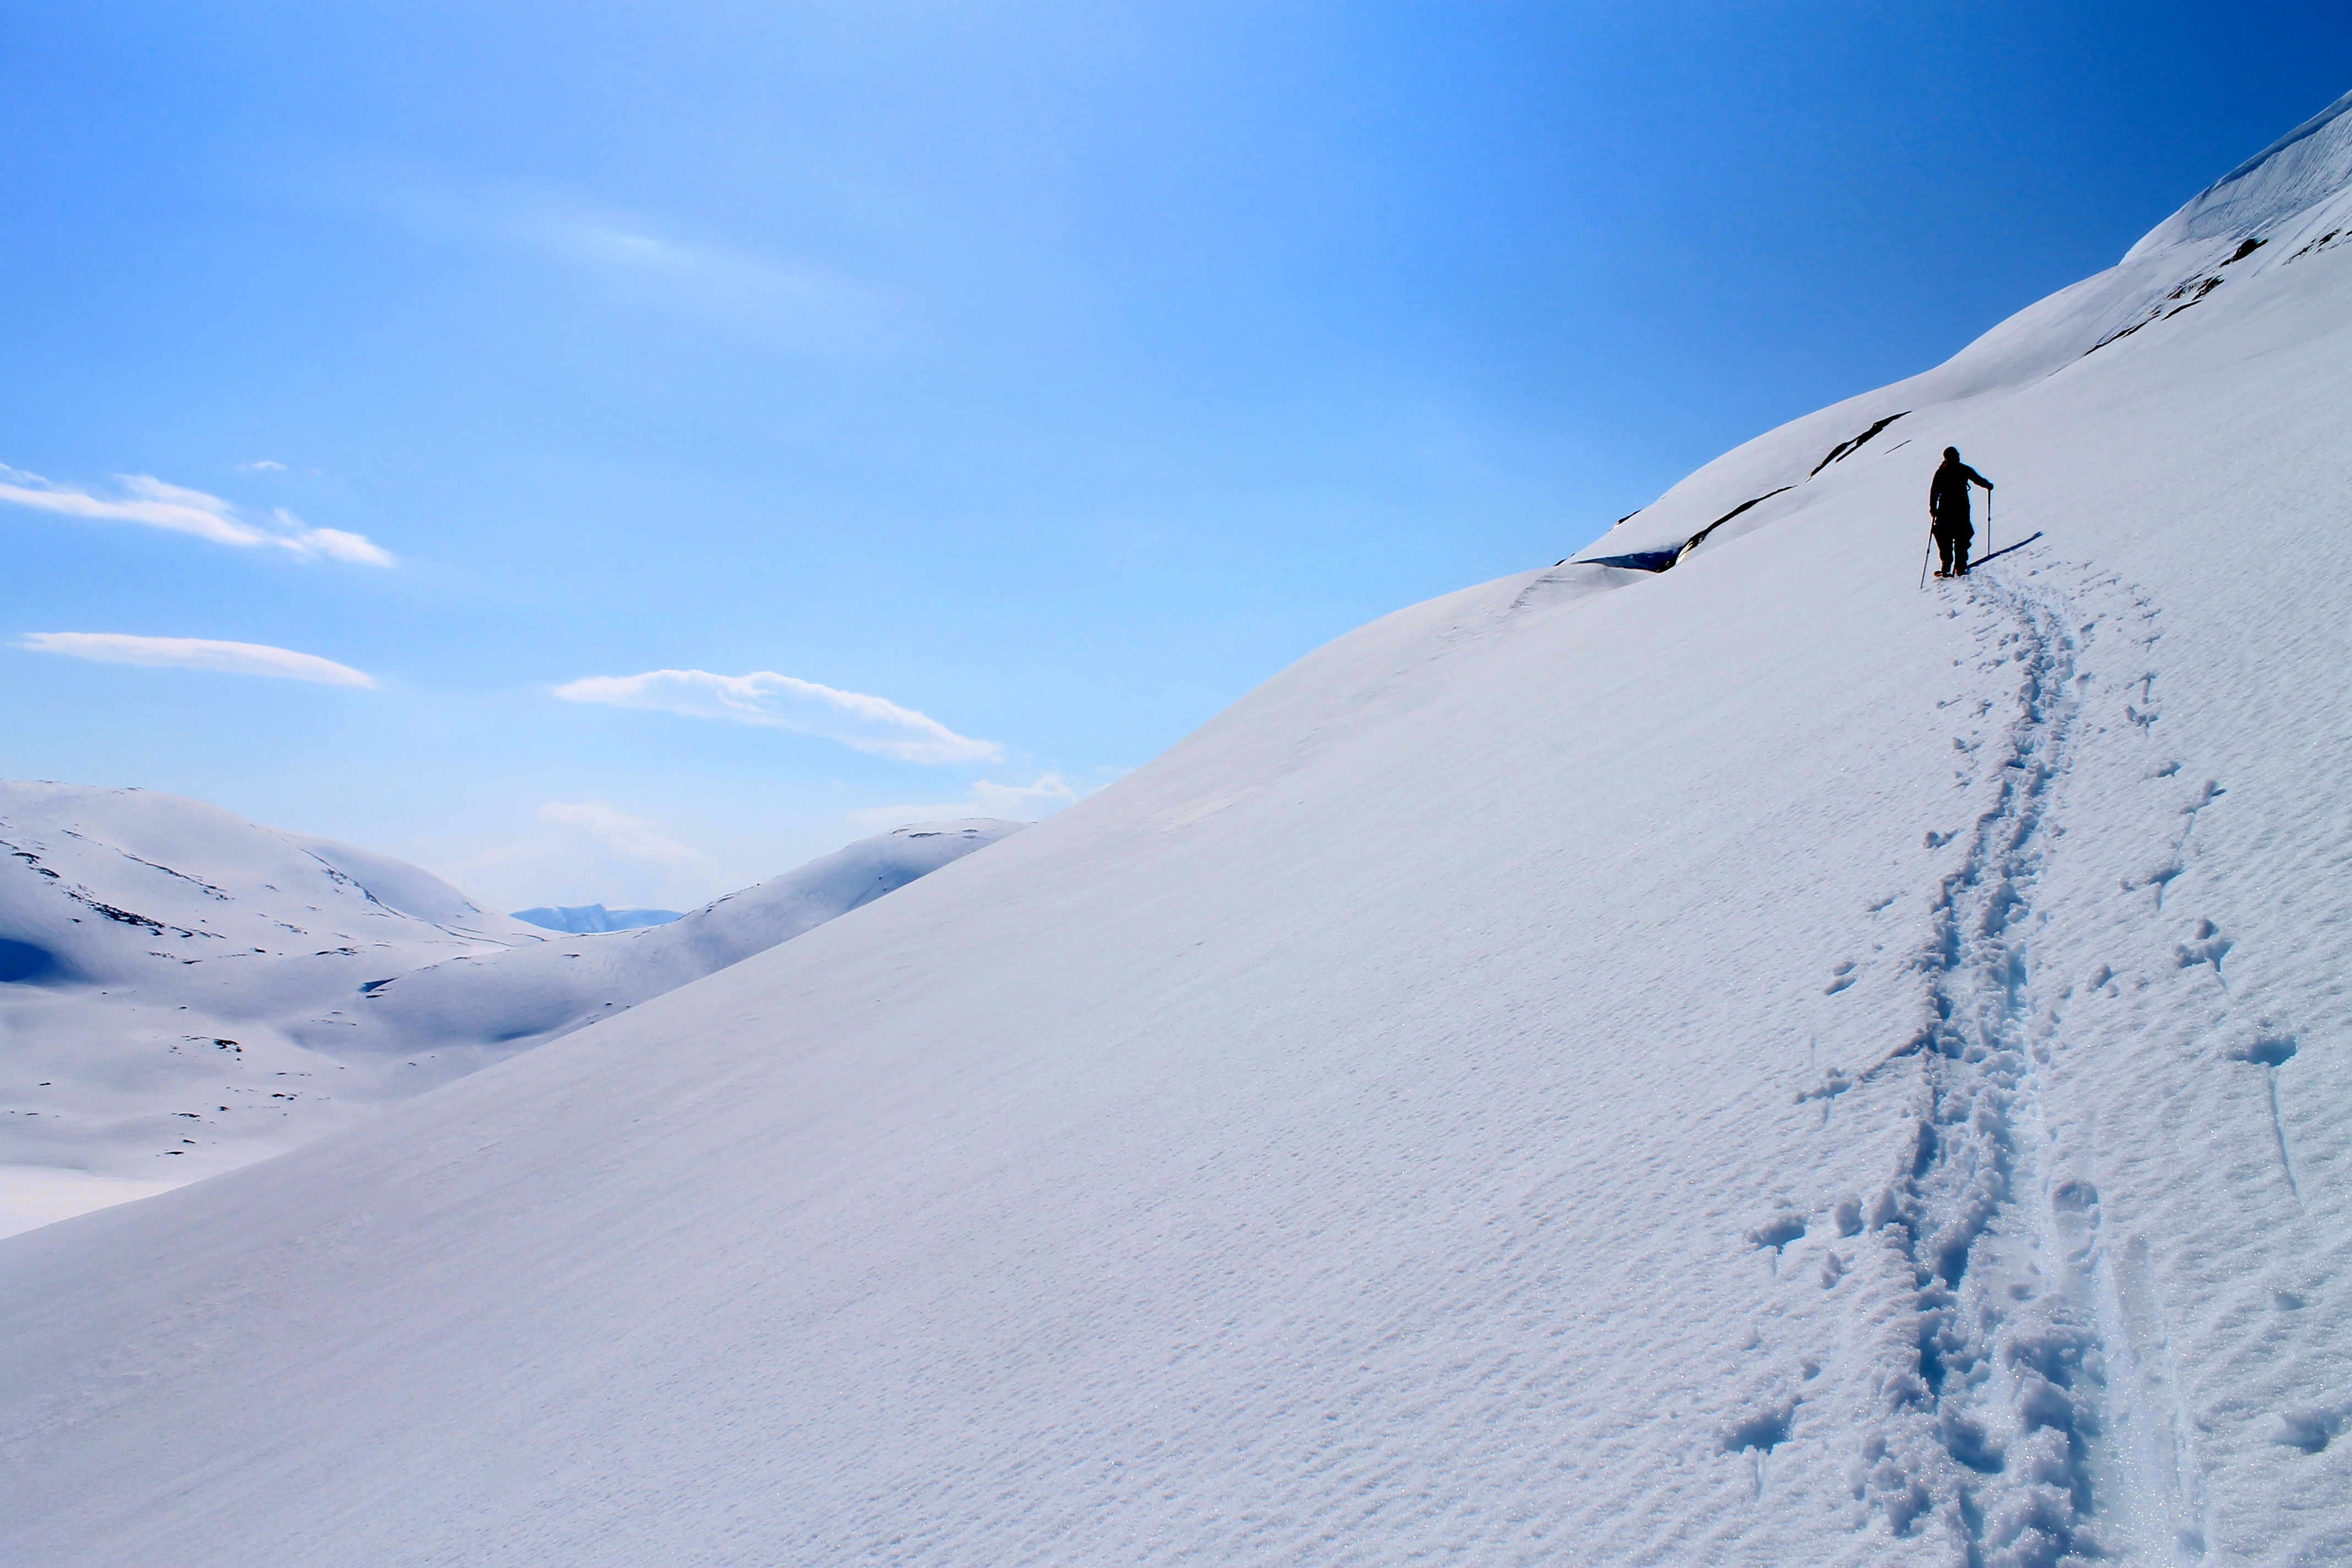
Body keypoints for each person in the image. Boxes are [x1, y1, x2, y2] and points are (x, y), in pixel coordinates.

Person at [1929, 447, 1994, 578]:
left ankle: (1946, 564)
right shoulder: (1963, 469)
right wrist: (1988, 486)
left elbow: (1934, 491)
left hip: (1944, 507)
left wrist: (1933, 508)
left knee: (1944, 534)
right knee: (1962, 534)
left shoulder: (1941, 472)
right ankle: (1960, 566)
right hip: (1962, 506)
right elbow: (1978, 480)